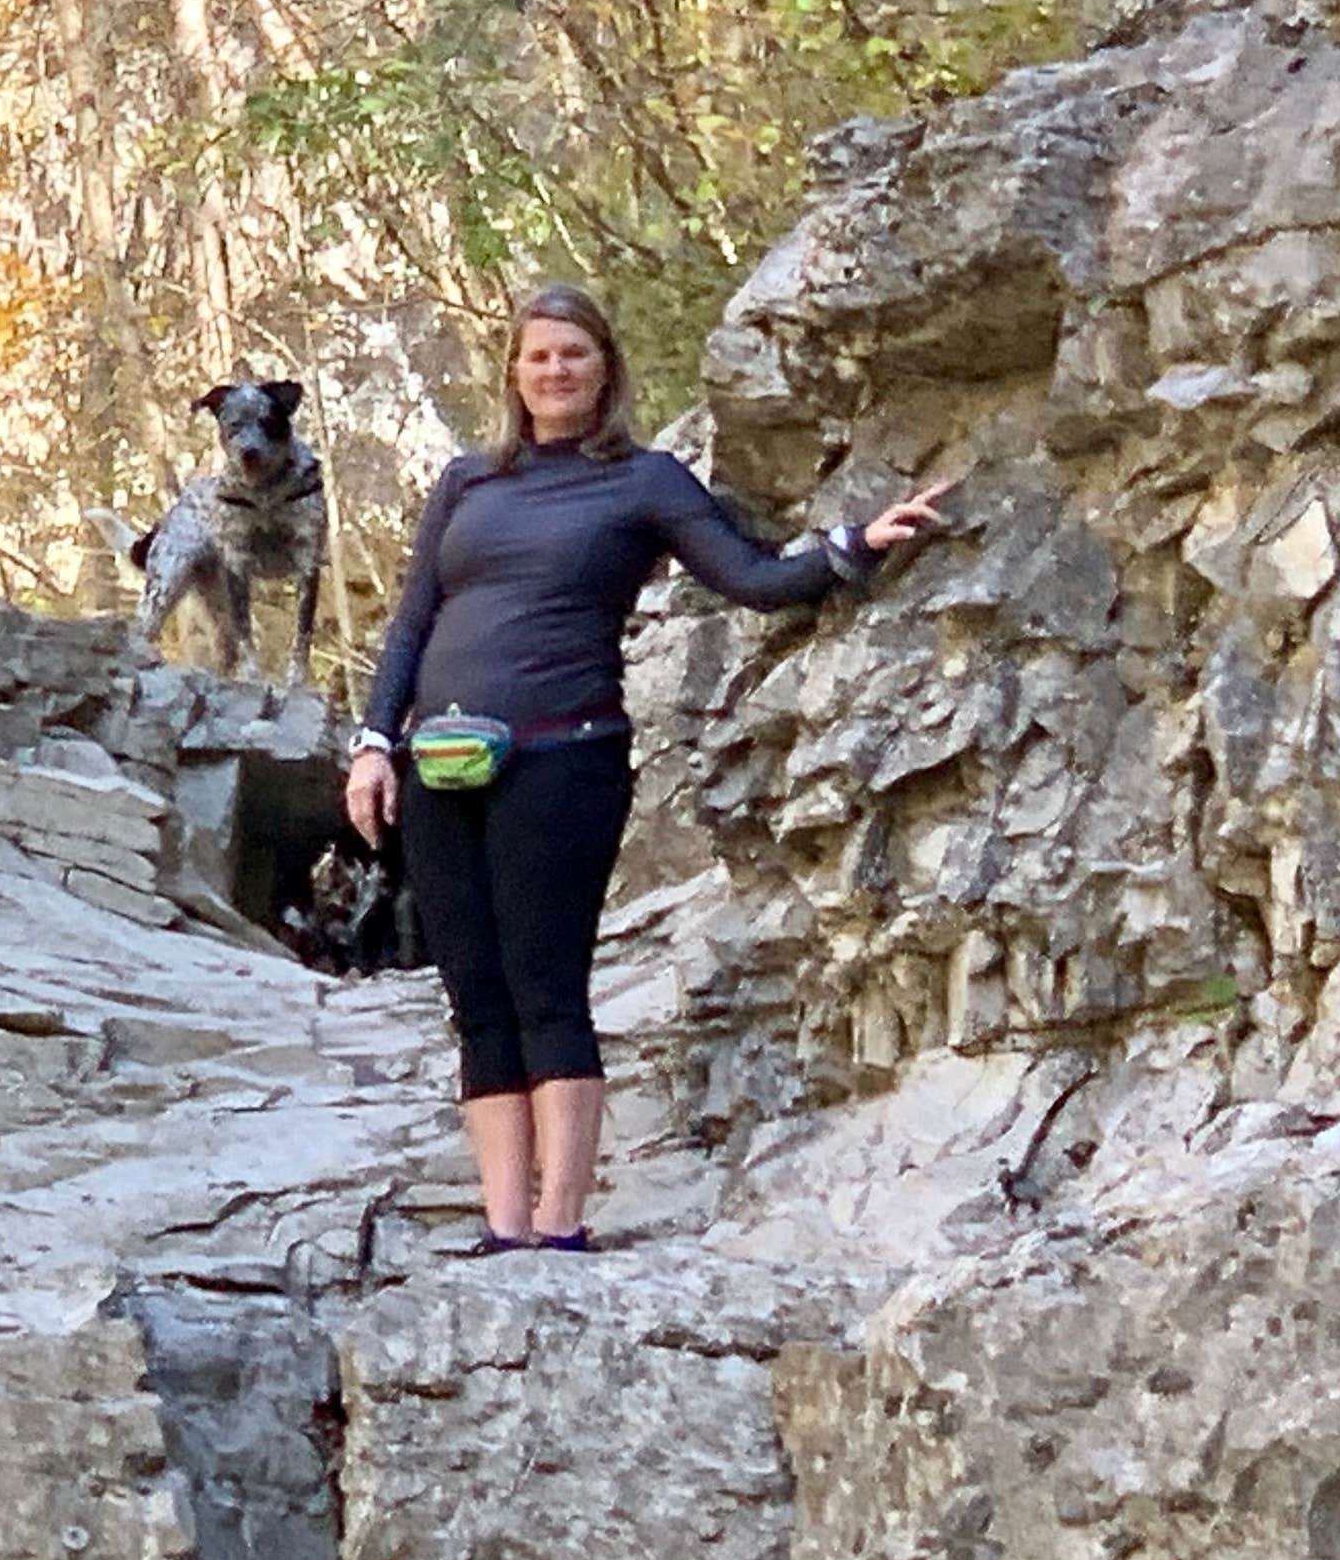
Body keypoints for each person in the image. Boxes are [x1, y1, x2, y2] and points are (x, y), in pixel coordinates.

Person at [343, 284, 955, 1253]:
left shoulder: (645, 481)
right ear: (513, 372)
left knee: (547, 986)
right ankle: (503, 1226)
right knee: (477, 1000)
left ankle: (559, 1226)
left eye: (574, 354)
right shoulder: (467, 482)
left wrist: (854, 547)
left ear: (605, 370)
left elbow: (752, 578)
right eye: (538, 355)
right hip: (439, 767)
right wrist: (376, 743)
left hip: (563, 759)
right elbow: (415, 618)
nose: (555, 370)